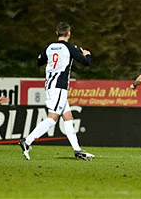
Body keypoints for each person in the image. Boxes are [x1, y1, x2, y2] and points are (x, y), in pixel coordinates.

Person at [18, 22, 94, 161]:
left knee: (68, 117)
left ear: (56, 33)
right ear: (69, 34)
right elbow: (86, 62)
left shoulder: (50, 47)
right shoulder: (71, 48)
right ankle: (27, 141)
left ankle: (77, 150)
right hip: (59, 87)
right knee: (52, 119)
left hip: (50, 85)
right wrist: (87, 54)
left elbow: (39, 62)